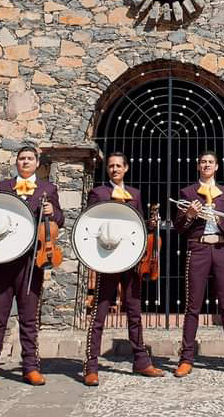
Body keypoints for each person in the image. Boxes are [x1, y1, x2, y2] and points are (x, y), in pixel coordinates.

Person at [0, 143, 64, 388]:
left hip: (31, 261)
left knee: (29, 317)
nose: (25, 162)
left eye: (30, 158)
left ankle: (31, 367)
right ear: (16, 162)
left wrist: (52, 211)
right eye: (22, 158)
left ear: (37, 163)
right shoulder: (1, 188)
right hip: (3, 259)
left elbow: (60, 220)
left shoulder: (48, 188)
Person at [82, 153, 165, 385]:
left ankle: (141, 361)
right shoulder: (98, 193)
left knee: (134, 311)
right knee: (99, 313)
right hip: (107, 259)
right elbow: (88, 224)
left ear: (126, 168)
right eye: (111, 166)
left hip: (130, 259)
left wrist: (149, 225)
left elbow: (135, 226)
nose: (115, 169)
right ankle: (91, 366)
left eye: (119, 166)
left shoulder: (135, 194)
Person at [172, 150, 224, 377]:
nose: (206, 165)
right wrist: (188, 214)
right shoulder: (187, 192)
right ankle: (186, 358)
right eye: (203, 162)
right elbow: (179, 228)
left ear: (217, 166)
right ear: (198, 166)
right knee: (193, 305)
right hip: (198, 247)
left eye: (210, 162)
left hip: (221, 248)